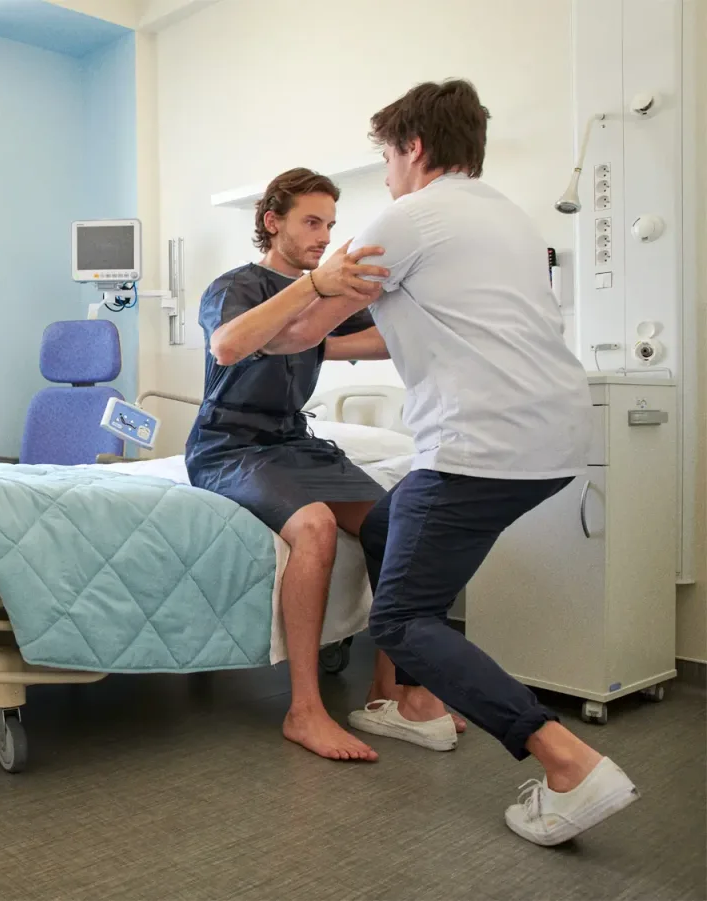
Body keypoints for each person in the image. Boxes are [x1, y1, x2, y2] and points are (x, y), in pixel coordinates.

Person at [253, 79, 638, 846]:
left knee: (403, 618)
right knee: (391, 519)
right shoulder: (508, 220)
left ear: (414, 148)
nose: (387, 175)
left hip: (480, 444)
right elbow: (403, 330)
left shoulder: (407, 216)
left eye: (388, 158)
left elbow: (295, 334)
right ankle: (415, 705)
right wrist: (331, 334)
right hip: (556, 439)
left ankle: (567, 762)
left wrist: (269, 322)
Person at [184, 167, 461, 763]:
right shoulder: (235, 286)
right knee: (313, 526)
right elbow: (228, 346)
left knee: (401, 520)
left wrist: (353, 315)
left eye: (330, 224)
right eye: (311, 222)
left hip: (293, 442)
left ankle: (388, 691)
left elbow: (379, 340)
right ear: (271, 222)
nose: (322, 235)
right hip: (229, 444)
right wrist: (315, 288)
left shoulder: (324, 294)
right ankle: (304, 710)